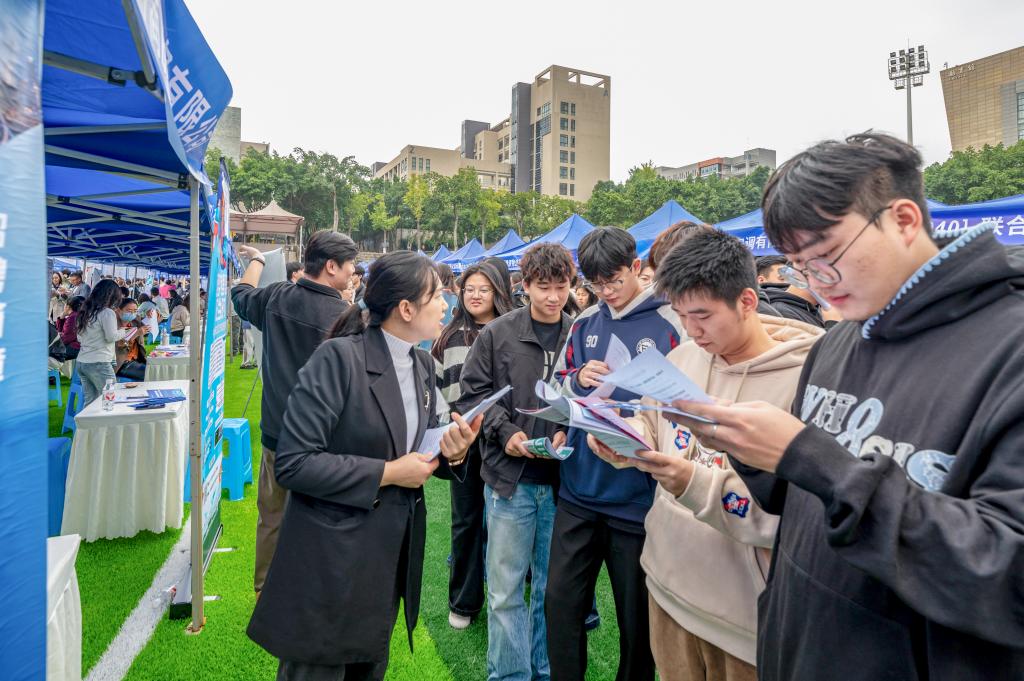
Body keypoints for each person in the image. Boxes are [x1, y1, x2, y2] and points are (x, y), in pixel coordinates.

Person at [671, 132, 1024, 680]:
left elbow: (1006, 575)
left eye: (826, 256)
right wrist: (742, 444)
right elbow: (795, 501)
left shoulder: (1009, 349)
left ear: (903, 220)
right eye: (799, 266)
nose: (818, 284)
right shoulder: (836, 342)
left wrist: (812, 457)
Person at [591, 230, 823, 681]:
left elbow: (798, 512)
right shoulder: (683, 358)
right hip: (667, 586)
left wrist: (689, 482)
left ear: (747, 301)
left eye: (702, 316)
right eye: (681, 315)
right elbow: (653, 427)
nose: (692, 330)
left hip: (744, 620)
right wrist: (622, 438)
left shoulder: (806, 380)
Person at [247, 251, 482, 681]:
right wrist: (388, 473)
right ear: (406, 308)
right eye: (437, 296)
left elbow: (417, 448)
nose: (447, 305)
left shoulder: (421, 364)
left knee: (369, 666)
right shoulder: (338, 359)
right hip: (330, 557)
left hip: (387, 556)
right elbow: (295, 463)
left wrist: (454, 451)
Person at [546, 227, 684, 681]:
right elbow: (557, 388)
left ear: (637, 267)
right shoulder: (584, 323)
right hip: (578, 493)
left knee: (637, 623)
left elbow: (689, 406)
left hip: (637, 500)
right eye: (596, 283)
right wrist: (576, 379)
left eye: (614, 280)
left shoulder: (672, 323)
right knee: (560, 605)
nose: (606, 291)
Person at [458, 243, 576, 681]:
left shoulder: (579, 333)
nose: (553, 296)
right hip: (511, 481)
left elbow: (590, 398)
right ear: (524, 286)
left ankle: (542, 671)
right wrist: (504, 432)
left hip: (564, 483)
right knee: (506, 590)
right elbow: (473, 395)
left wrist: (569, 429)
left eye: (561, 286)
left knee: (550, 590)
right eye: (543, 287)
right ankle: (509, 675)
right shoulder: (498, 334)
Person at [231, 230, 359, 595]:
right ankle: (313, 592)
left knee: (272, 518)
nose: (353, 272)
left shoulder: (276, 297)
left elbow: (240, 294)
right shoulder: (346, 317)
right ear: (331, 266)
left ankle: (265, 593)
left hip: (278, 435)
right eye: (349, 265)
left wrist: (257, 261)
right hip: (325, 442)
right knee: (324, 519)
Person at [432, 261, 515, 630]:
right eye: (469, 289)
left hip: (505, 442)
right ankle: (464, 601)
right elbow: (437, 390)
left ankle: (510, 590)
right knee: (466, 521)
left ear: (499, 291)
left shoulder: (513, 331)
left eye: (484, 289)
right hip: (464, 445)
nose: (476, 295)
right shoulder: (449, 336)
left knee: (508, 523)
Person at [76, 280, 127, 405]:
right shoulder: (107, 312)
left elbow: (79, 338)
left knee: (90, 402)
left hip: (82, 361)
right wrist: (123, 331)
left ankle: (87, 419)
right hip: (99, 362)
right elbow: (111, 337)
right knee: (110, 400)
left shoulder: (85, 311)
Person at [114, 298, 148, 381]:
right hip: (122, 363)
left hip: (136, 359)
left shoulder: (134, 321)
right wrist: (136, 334)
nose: (132, 313)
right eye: (129, 311)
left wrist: (150, 317)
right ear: (119, 310)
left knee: (156, 370)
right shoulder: (114, 324)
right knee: (150, 374)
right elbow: (119, 345)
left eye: (135, 311)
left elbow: (146, 327)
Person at [56, 296, 84, 360]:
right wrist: (61, 318)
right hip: (78, 347)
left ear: (68, 306)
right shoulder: (77, 315)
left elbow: (66, 338)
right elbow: (61, 331)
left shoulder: (73, 317)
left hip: (74, 348)